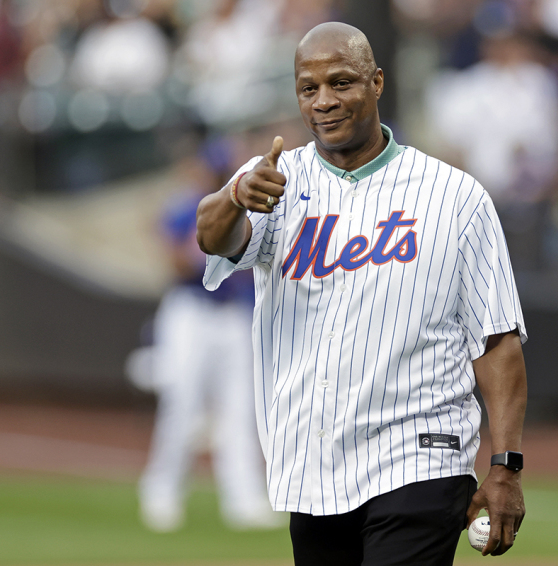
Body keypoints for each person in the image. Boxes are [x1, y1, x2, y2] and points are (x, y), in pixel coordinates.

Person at [196, 22, 528, 565]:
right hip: (312, 461)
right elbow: (211, 235)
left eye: (342, 82)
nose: (324, 100)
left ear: (376, 82)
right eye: (309, 88)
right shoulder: (272, 181)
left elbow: (497, 341)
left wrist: (505, 465)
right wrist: (235, 195)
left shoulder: (456, 197)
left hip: (421, 458)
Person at [132, 144, 281, 532]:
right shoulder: (191, 204)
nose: (219, 175)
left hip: (234, 315)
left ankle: (243, 499)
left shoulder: (253, 205)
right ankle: (162, 492)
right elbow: (175, 258)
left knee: (240, 409)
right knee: (182, 402)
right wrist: (209, 253)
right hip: (191, 311)